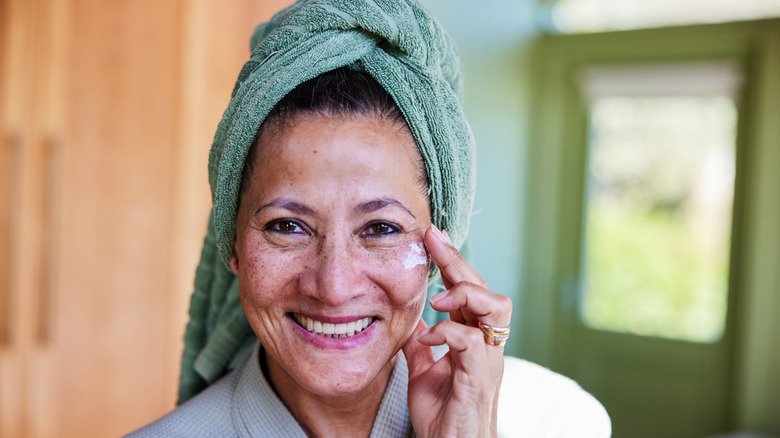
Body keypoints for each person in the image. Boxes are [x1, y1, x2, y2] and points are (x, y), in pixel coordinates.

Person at [128, 1, 610, 437]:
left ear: (442, 249)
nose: (334, 287)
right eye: (287, 226)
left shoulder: (560, 420)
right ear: (232, 243)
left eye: (381, 228)